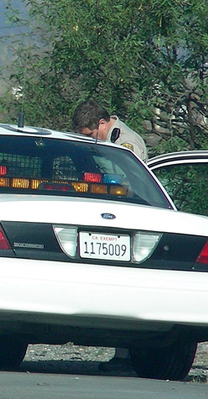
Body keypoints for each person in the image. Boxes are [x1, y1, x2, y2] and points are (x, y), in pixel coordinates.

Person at [72, 98, 148, 372]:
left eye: (91, 134)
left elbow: (129, 185)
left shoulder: (127, 144)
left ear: (102, 124)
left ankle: (126, 356)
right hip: (104, 219)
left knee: (127, 287)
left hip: (126, 222)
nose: (90, 140)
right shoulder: (106, 140)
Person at [71, 98, 148, 162]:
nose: (87, 139)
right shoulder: (106, 140)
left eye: (89, 135)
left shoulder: (124, 142)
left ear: (102, 123)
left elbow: (126, 176)